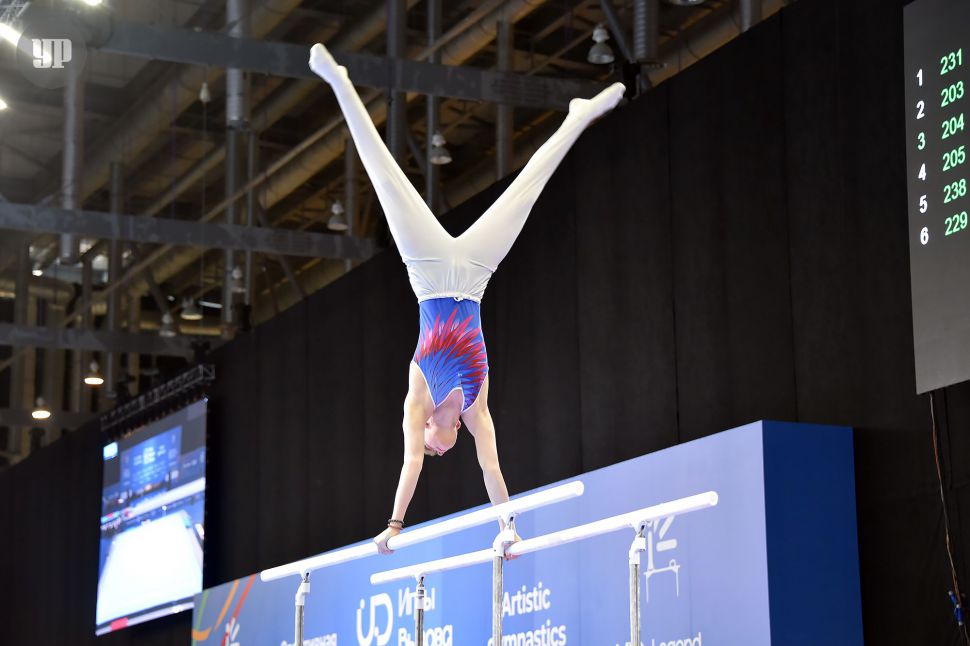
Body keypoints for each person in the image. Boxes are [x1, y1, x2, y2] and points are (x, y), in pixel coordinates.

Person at [308, 42, 625, 554]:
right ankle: (578, 118)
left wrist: (395, 524)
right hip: (476, 276)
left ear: (428, 430)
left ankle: (339, 81)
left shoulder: (417, 399)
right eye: (439, 452)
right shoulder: (476, 409)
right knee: (526, 191)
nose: (437, 452)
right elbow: (491, 467)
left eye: (432, 449)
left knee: (386, 180)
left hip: (429, 275)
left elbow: (410, 462)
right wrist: (508, 526)